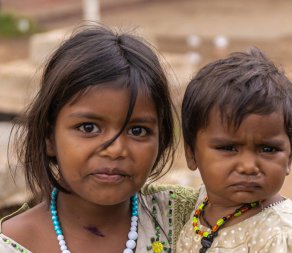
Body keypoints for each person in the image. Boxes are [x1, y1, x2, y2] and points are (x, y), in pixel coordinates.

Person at [0, 25, 198, 253]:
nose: (115, 150)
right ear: (49, 138)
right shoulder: (11, 245)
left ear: (161, 139)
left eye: (137, 131)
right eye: (88, 127)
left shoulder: (186, 218)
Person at [177, 47, 292, 252]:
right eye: (228, 148)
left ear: (289, 157)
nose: (249, 167)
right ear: (191, 154)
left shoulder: (277, 235)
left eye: (268, 149)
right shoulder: (200, 204)